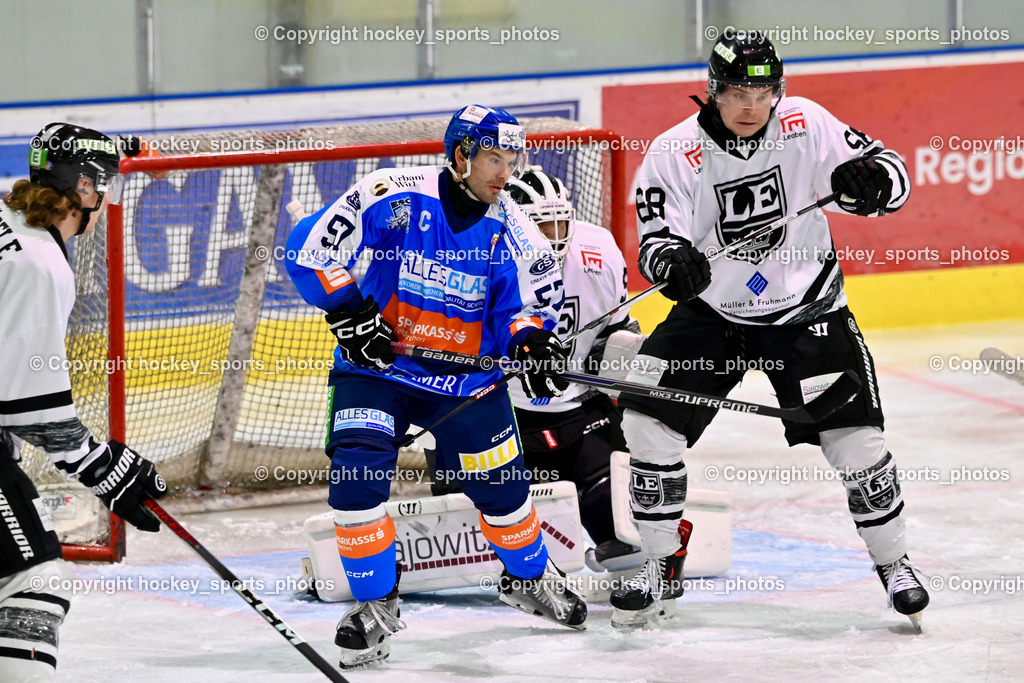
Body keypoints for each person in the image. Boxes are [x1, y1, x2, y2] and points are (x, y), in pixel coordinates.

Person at [611, 33, 928, 629]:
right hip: (712, 317)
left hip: (807, 313)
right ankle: (658, 561)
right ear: (713, 90)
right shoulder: (672, 152)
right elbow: (656, 241)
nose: (751, 105)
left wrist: (874, 184)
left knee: (855, 444)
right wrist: (669, 263)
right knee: (646, 423)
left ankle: (895, 566)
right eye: (736, 91)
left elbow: (895, 174)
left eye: (763, 91)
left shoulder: (808, 122)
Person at [285, 105, 586, 668]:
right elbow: (309, 248)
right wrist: (349, 311)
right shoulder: (391, 195)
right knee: (356, 480)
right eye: (493, 158)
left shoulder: (518, 232)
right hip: (378, 370)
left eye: (512, 159)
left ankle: (528, 578)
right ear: (459, 156)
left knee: (504, 497)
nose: (505, 172)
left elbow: (531, 310)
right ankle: (373, 604)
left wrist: (528, 343)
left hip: (468, 381)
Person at [0, 123, 167, 682]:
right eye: (107, 185)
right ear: (85, 190)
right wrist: (102, 467)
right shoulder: (38, 265)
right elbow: (31, 409)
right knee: (33, 582)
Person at [425, 166, 646, 571]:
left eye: (561, 222)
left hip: (580, 416)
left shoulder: (599, 249)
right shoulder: (473, 255)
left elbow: (619, 334)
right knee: (482, 549)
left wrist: (614, 379)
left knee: (626, 539)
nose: (555, 235)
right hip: (501, 416)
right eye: (542, 226)